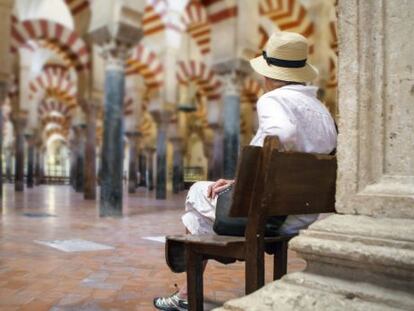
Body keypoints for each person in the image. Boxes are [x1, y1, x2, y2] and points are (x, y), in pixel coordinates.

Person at [154, 31, 337, 311]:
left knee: (197, 193)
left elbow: (281, 133)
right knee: (207, 198)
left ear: (269, 75)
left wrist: (249, 176)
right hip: (302, 215)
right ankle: (189, 284)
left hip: (265, 216)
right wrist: (242, 180)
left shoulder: (273, 100)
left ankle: (189, 288)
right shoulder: (321, 110)